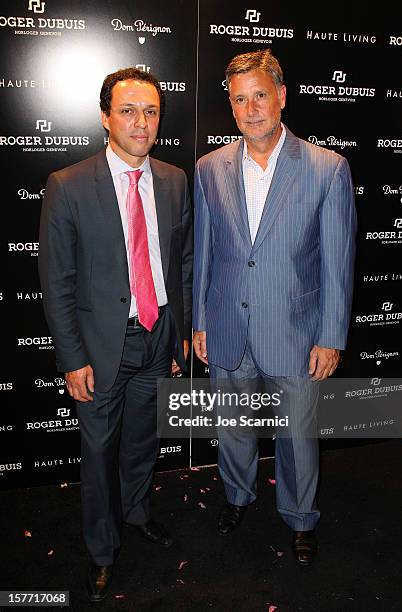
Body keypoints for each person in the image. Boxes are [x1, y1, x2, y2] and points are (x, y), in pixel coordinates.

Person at [193, 49, 356, 566]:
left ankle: (301, 517)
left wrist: (331, 335)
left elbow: (337, 260)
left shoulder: (327, 168)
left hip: (296, 329)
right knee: (233, 424)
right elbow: (203, 254)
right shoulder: (209, 168)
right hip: (227, 324)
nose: (251, 109)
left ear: (281, 96)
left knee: (298, 436)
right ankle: (238, 497)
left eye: (260, 95)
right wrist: (200, 321)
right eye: (240, 100)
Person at [39, 67, 193, 601]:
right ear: (106, 116)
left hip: (158, 338)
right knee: (99, 454)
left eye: (150, 111)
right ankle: (102, 551)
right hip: (102, 348)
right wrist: (71, 358)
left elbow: (183, 263)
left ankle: (136, 512)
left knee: (142, 442)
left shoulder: (174, 180)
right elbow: (57, 282)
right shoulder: (68, 185)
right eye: (128, 110)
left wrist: (179, 335)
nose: (140, 122)